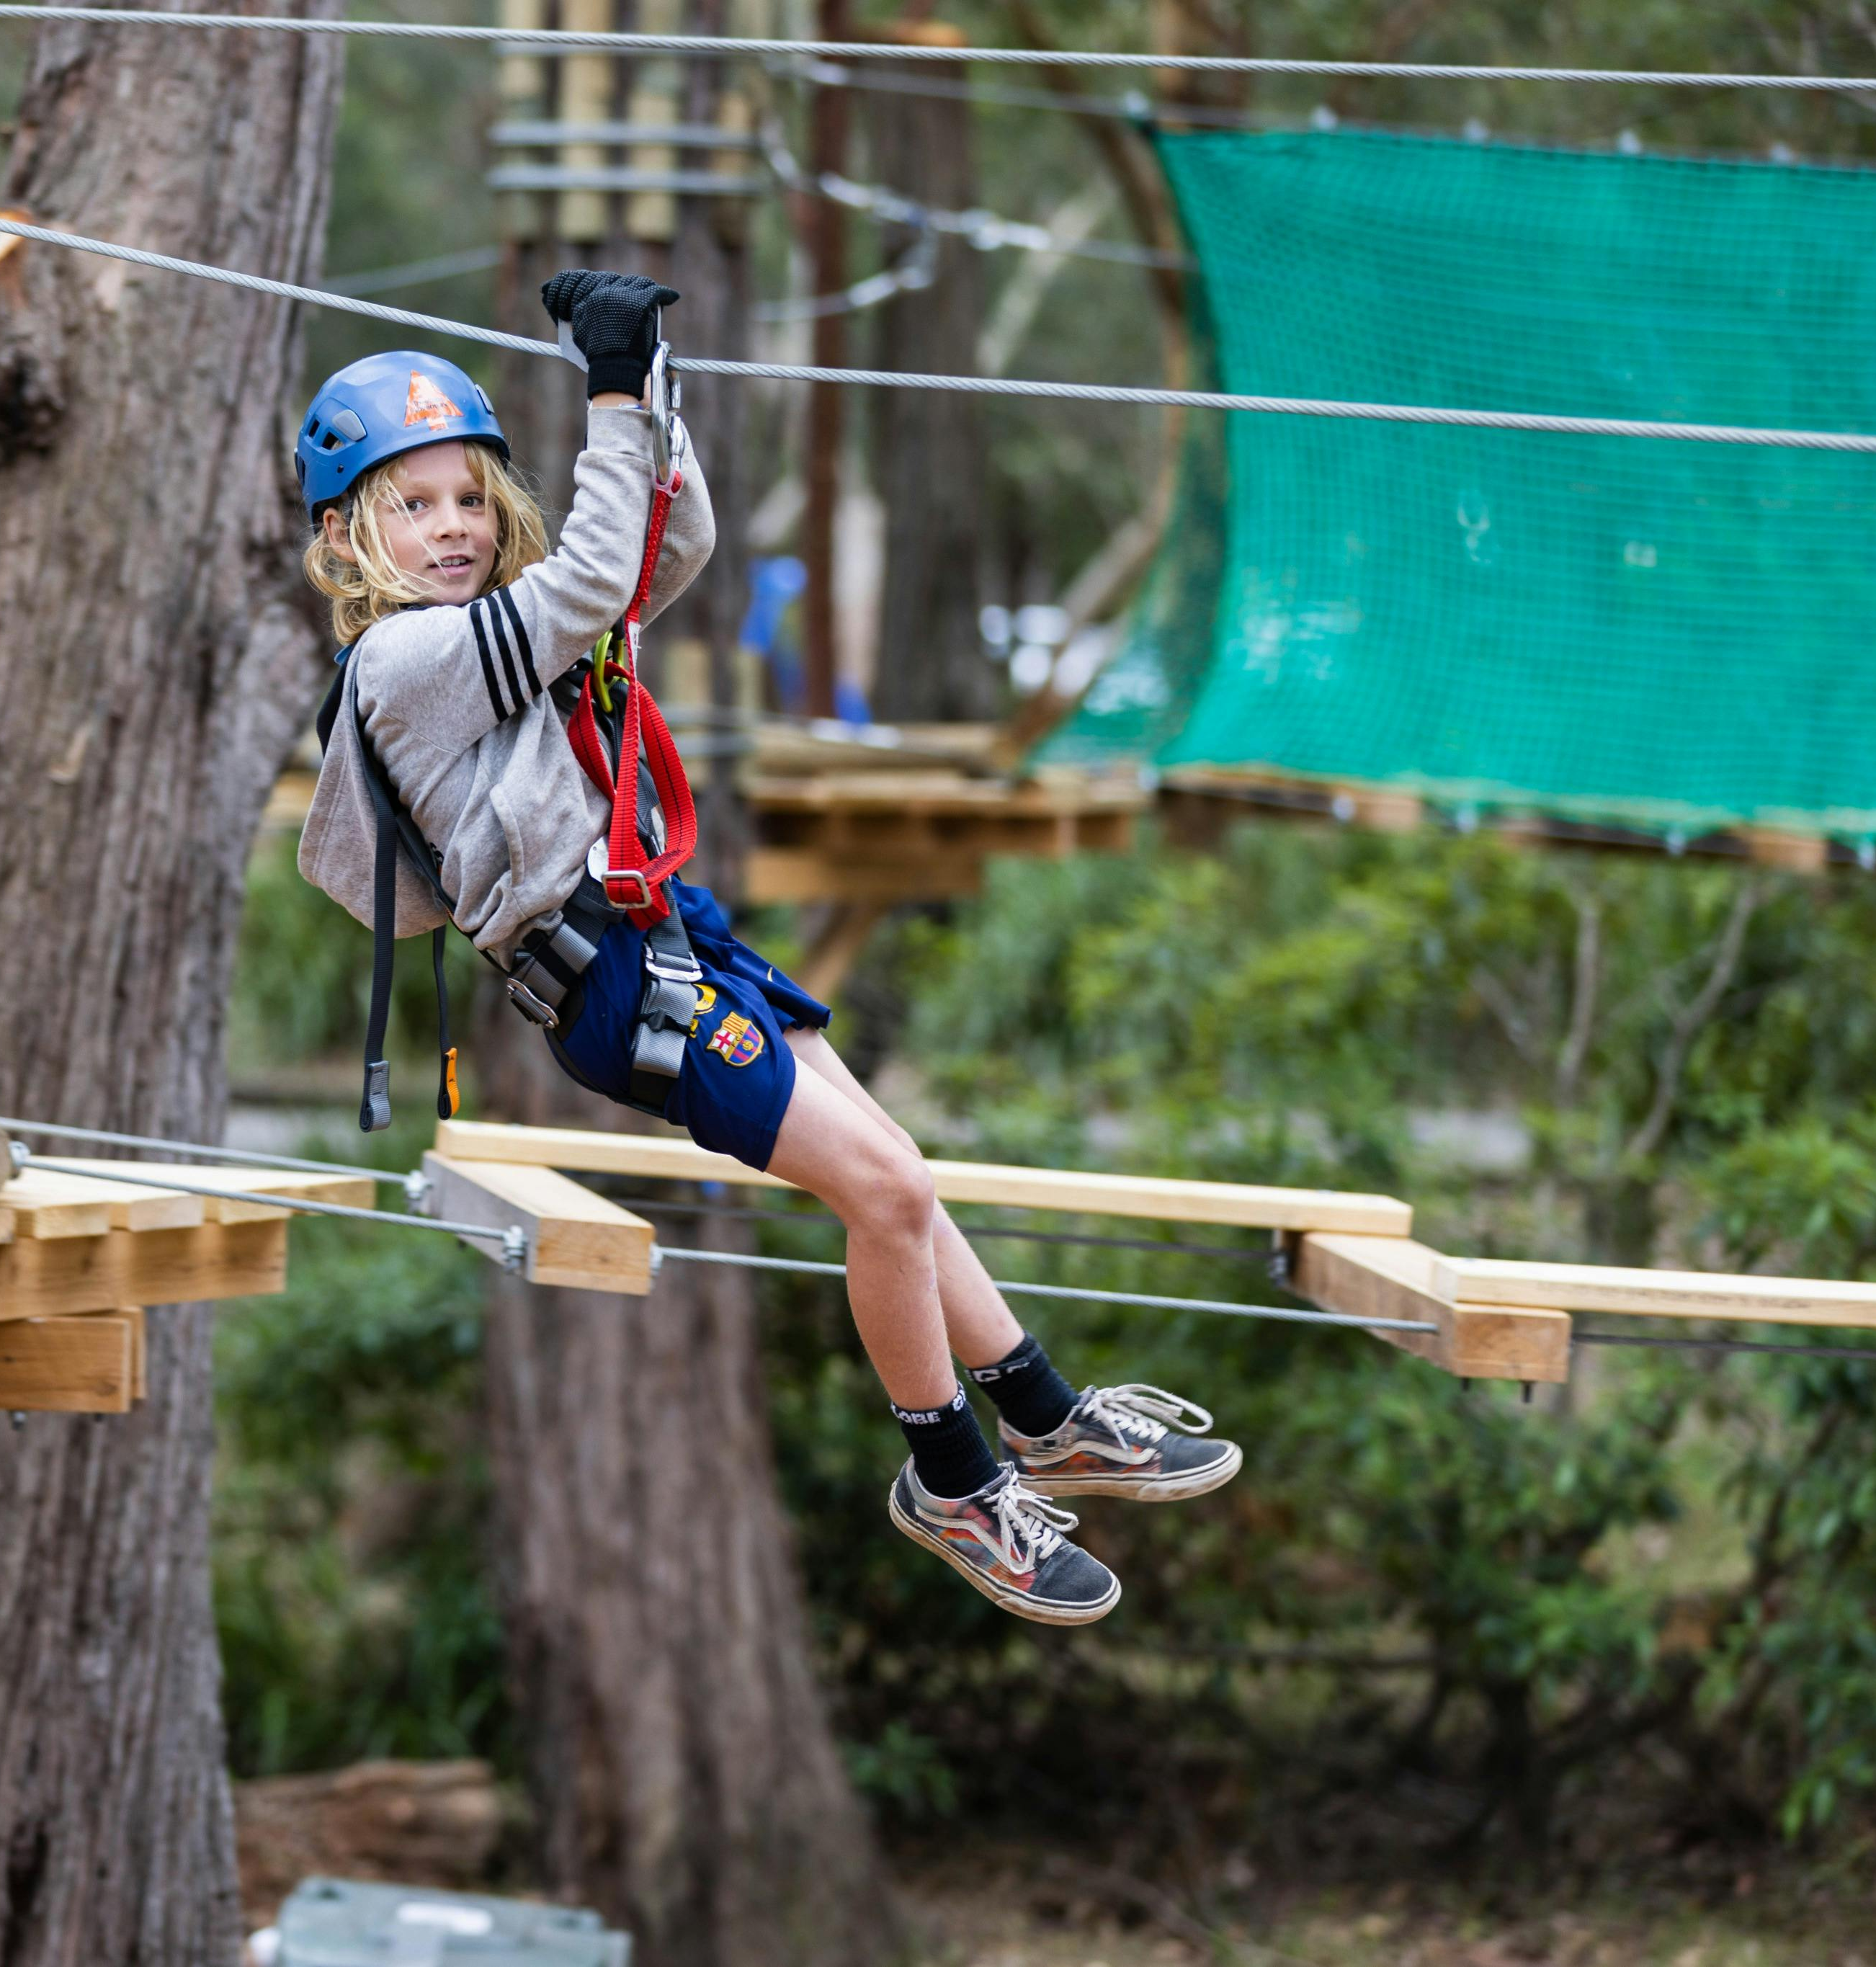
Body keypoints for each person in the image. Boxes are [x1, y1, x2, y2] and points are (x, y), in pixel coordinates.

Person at [295, 272, 1241, 1625]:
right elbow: (588, 586)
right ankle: (953, 1483)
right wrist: (608, 392)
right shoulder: (411, 663)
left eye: (464, 499)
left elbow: (662, 553)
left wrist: (650, 395)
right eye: (412, 504)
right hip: (613, 984)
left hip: (672, 932)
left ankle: (1047, 1413)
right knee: (888, 1193)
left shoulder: (513, 633)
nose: (449, 529)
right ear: (347, 534)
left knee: (903, 1178)